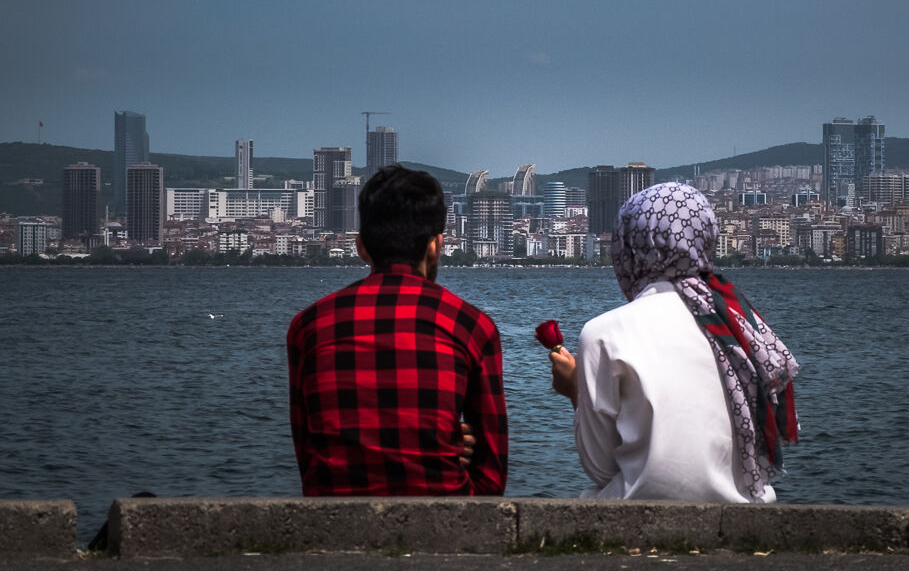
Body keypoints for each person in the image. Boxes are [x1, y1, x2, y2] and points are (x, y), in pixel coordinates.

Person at [549, 181, 798, 502]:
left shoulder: (603, 334)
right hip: (748, 510)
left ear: (630, 248)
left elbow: (600, 468)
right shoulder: (740, 325)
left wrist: (575, 390)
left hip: (640, 518)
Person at [287, 165, 507, 496]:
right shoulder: (472, 327)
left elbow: (309, 461)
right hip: (446, 517)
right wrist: (444, 446)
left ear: (361, 247)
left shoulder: (308, 327)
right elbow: (491, 481)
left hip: (332, 519)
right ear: (436, 246)